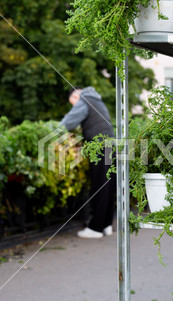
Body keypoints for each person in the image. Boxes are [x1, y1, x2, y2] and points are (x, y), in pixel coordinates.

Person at [60, 86, 116, 239]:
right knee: (108, 186)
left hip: (99, 147)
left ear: (75, 96)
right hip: (111, 146)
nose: (73, 106)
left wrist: (54, 131)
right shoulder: (97, 101)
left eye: (72, 102)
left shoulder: (84, 100)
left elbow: (67, 123)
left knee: (99, 186)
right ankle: (106, 225)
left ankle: (95, 228)